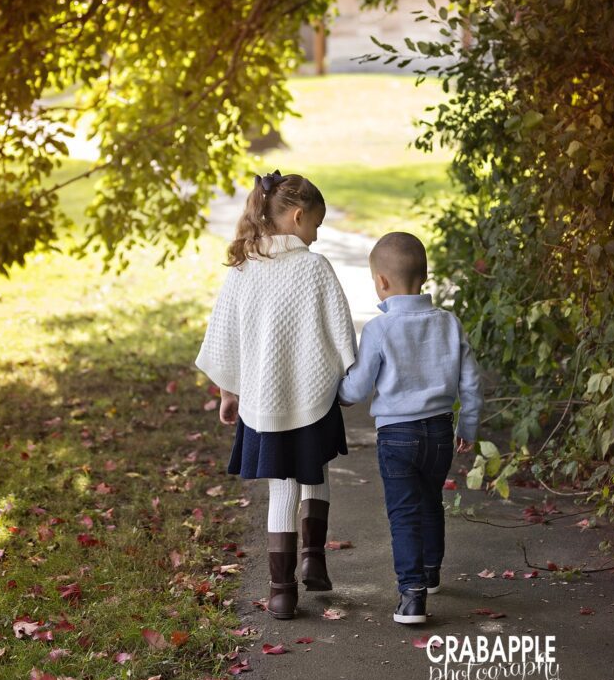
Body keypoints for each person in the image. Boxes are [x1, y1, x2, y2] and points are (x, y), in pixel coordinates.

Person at [195, 170, 356, 621]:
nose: (318, 237)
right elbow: (341, 333)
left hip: (263, 402)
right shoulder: (313, 267)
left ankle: (281, 591)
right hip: (310, 396)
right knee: (315, 469)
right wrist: (347, 379)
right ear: (299, 217)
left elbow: (224, 339)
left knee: (281, 489)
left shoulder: (244, 268)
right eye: (317, 227)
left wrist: (230, 393)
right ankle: (314, 558)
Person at [338, 231, 483, 625]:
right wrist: (467, 424)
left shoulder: (379, 329)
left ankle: (412, 595)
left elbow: (360, 385)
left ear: (381, 282)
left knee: (403, 513)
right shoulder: (449, 323)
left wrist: (338, 394)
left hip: (397, 437)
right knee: (431, 500)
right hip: (439, 433)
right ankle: (432, 573)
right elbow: (471, 381)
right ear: (424, 275)